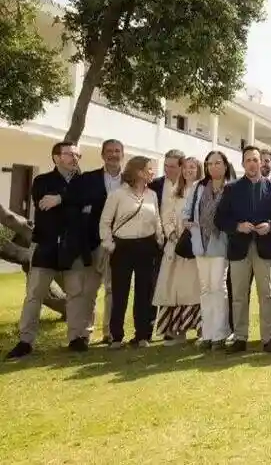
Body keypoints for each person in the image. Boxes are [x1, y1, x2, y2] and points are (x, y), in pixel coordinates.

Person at [5, 142, 93, 360]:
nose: (75, 158)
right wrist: (74, 205)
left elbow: (88, 201)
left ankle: (76, 338)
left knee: (76, 295)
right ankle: (25, 341)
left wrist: (61, 199)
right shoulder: (42, 181)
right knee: (34, 295)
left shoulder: (84, 182)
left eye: (77, 155)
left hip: (74, 248)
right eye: (70, 154)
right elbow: (45, 205)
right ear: (56, 158)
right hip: (46, 246)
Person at [215, 146, 271, 353]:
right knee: (239, 295)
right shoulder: (231, 189)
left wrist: (270, 226)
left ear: (261, 163)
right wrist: (237, 226)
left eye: (256, 160)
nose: (253, 164)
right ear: (243, 163)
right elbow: (220, 219)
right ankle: (240, 337)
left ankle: (268, 338)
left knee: (267, 294)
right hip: (239, 249)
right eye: (249, 160)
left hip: (264, 248)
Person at [101, 155, 164, 348]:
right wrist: (110, 245)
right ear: (138, 172)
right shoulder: (118, 194)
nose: (152, 172)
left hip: (146, 248)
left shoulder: (152, 195)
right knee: (120, 293)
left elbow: (157, 221)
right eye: (149, 169)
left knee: (144, 294)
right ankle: (116, 336)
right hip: (123, 248)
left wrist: (160, 240)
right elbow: (105, 223)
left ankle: (142, 335)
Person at [68, 138, 124, 345]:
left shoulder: (129, 181)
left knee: (113, 290)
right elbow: (75, 205)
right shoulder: (88, 179)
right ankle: (82, 334)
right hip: (92, 242)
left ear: (122, 154)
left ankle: (109, 332)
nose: (113, 154)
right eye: (109, 151)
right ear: (102, 155)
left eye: (117, 151)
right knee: (88, 290)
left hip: (119, 244)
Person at [183, 151, 234, 351]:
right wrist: (188, 222)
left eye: (217, 163)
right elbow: (186, 211)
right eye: (210, 163)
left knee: (218, 287)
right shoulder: (198, 187)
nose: (213, 167)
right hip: (200, 243)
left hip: (220, 243)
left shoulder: (231, 188)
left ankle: (220, 333)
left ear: (225, 165)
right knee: (205, 289)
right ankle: (208, 333)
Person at [153, 153, 202, 344]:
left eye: (193, 167)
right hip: (176, 247)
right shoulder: (175, 191)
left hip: (196, 246)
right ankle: (175, 330)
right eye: (186, 167)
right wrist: (172, 234)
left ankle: (200, 328)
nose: (189, 170)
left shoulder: (202, 190)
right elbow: (166, 216)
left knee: (197, 288)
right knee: (173, 288)